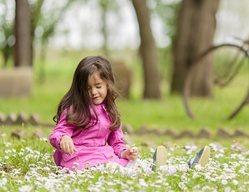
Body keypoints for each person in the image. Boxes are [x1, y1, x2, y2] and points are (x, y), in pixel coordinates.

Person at [49, 55, 210, 176]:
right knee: (115, 169)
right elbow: (57, 133)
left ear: (108, 85)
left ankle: (186, 168)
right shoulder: (75, 110)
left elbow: (116, 142)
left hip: (105, 157)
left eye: (98, 86)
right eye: (87, 88)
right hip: (80, 162)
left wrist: (124, 153)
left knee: (136, 164)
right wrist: (63, 138)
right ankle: (152, 171)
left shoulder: (109, 112)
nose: (93, 92)